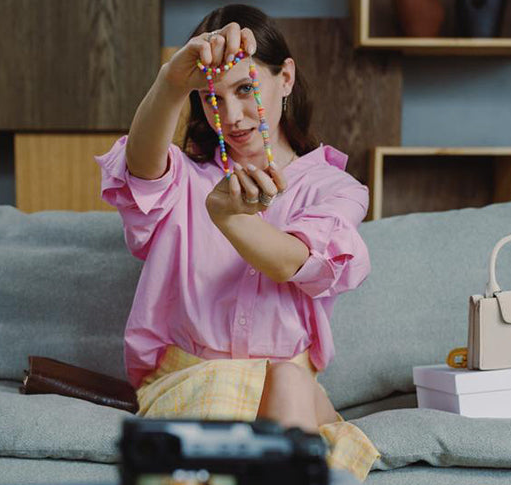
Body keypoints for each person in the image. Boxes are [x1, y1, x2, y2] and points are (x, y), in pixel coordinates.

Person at [94, 4, 379, 481]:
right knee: (276, 413)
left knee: (289, 377)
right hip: (193, 375)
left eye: (246, 90)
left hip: (288, 382)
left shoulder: (334, 188)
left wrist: (229, 219)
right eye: (211, 98)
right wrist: (170, 83)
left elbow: (299, 262)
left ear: (285, 78)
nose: (231, 116)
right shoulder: (186, 177)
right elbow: (143, 167)